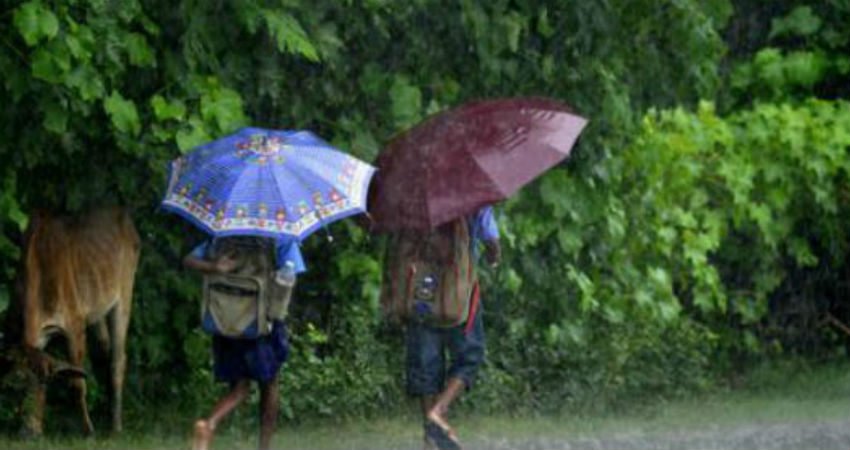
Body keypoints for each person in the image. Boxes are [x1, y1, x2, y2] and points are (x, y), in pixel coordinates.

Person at [184, 235, 306, 450]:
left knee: (240, 386)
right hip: (260, 324)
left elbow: (189, 261)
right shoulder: (281, 237)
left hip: (226, 321)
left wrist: (215, 267)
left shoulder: (223, 235)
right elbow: (291, 272)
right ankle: (264, 447)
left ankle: (209, 424)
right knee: (270, 386)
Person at [404, 206, 501, 450]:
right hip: (460, 291)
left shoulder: (413, 192)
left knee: (425, 361)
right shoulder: (473, 195)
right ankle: (438, 412)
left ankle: (430, 438)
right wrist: (493, 258)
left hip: (421, 290)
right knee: (469, 355)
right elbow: (491, 239)